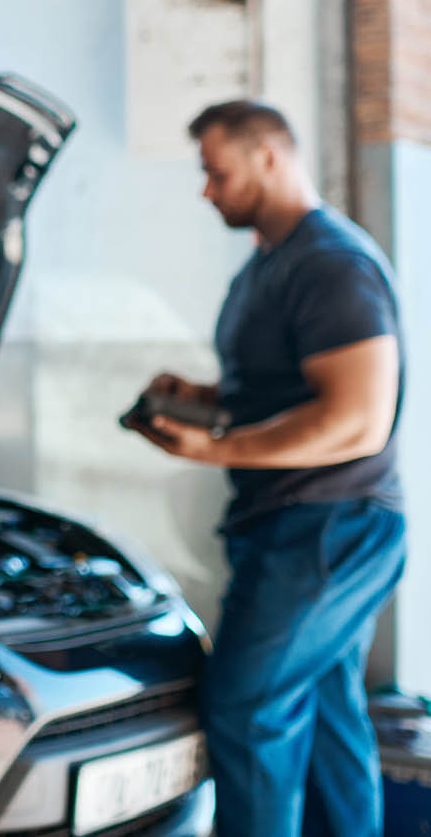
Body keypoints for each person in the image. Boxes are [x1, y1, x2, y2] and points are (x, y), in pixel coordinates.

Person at [129, 99, 406, 837]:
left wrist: (213, 447)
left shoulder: (331, 265)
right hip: (297, 526)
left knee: (247, 706)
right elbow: (284, 388)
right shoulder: (272, 265)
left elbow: (355, 418)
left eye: (215, 172)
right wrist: (204, 400)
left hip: (327, 527)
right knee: (323, 709)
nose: (207, 190)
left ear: (269, 157)